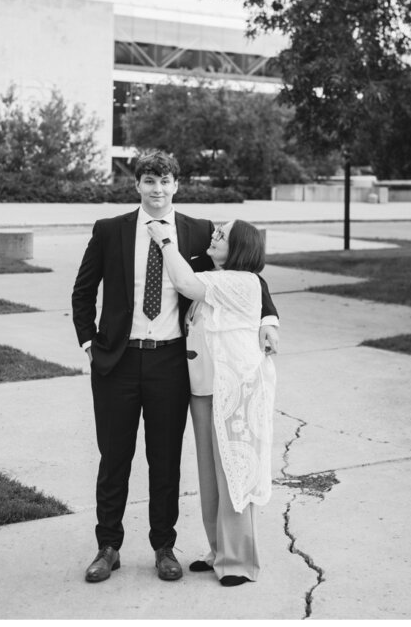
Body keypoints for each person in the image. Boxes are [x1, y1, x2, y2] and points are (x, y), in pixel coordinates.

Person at [70, 151, 279, 584]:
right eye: (149, 180)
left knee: (165, 460)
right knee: (114, 458)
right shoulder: (110, 231)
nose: (157, 189)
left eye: (165, 181)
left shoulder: (199, 231)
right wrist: (91, 344)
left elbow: (248, 276)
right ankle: (108, 547)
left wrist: (268, 319)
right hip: (117, 360)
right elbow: (83, 290)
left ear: (177, 185)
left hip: (171, 362)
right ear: (137, 185)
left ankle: (164, 547)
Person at [147, 218, 276, 587]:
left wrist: (165, 240)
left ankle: (238, 562)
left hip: (234, 391)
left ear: (237, 247)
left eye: (222, 235)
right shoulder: (217, 276)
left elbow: (185, 282)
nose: (213, 236)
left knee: (235, 473)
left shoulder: (242, 281)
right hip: (203, 391)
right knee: (210, 476)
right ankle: (218, 551)